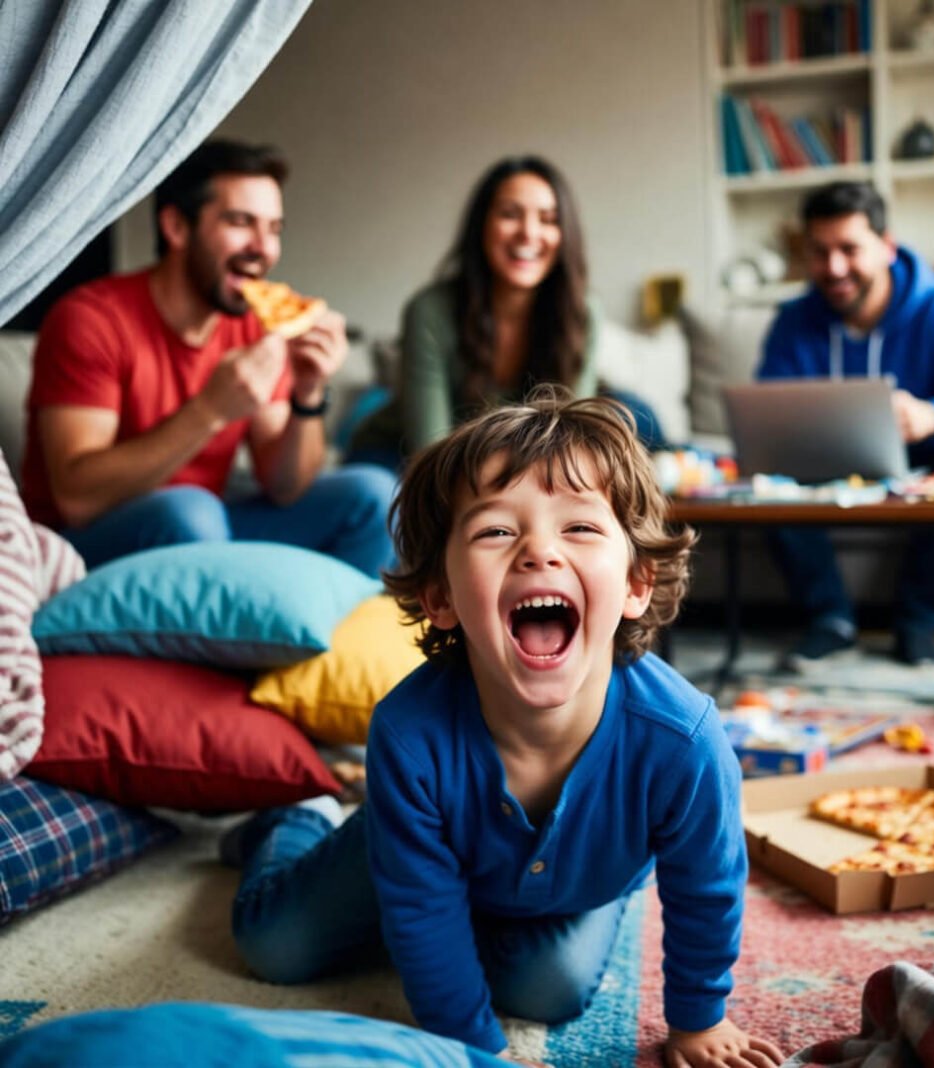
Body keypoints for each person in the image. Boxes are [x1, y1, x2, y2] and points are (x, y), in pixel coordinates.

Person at [223, 388, 784, 1068]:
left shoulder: (685, 738)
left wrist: (698, 1020)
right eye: (495, 531)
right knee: (272, 947)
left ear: (637, 582)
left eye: (578, 528)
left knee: (547, 989)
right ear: (441, 598)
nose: (537, 552)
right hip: (409, 857)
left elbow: (707, 885)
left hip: (573, 884)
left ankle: (489, 923)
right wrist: (473, 1048)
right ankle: (298, 821)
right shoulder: (409, 734)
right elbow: (421, 912)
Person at [21, 139, 396, 576]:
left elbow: (284, 486)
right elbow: (77, 498)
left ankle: (325, 642)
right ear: (177, 227)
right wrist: (210, 411)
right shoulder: (89, 319)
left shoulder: (255, 326)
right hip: (92, 540)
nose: (264, 248)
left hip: (209, 529)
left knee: (373, 497)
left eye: (274, 229)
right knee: (190, 513)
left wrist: (309, 394)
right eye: (241, 223)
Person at [759, 181, 934, 667]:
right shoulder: (792, 320)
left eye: (849, 249)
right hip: (822, 458)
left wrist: (932, 415)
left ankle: (917, 623)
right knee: (765, 475)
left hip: (923, 455)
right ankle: (831, 619)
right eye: (820, 252)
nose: (834, 268)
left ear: (886, 247)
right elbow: (766, 414)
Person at [344, 154, 666, 468]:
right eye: (510, 214)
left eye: (548, 219)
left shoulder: (582, 310)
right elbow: (431, 454)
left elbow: (567, 439)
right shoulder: (429, 311)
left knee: (637, 417)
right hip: (403, 456)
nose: (529, 232)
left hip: (514, 459)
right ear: (481, 226)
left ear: (565, 235)